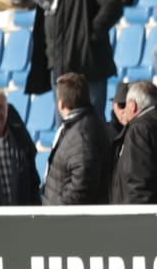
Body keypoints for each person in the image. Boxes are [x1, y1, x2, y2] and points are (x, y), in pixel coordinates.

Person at [43, 72, 113, 205]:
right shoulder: (80, 125)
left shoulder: (81, 135)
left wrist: (57, 208)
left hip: (65, 221)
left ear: (61, 104)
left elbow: (82, 185)